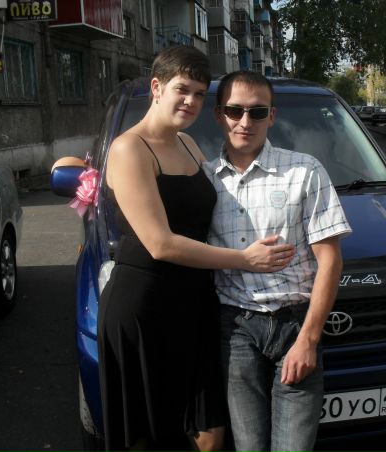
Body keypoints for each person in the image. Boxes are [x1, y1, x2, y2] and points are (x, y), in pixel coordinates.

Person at [97, 47, 294, 452]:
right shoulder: (129, 149)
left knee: (209, 435)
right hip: (145, 305)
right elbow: (160, 243)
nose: (191, 101)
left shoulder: (187, 144)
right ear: (157, 87)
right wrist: (245, 259)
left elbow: (223, 209)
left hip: (196, 303)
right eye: (182, 89)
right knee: (151, 434)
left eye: (200, 94)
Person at [204, 70, 352, 452]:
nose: (245, 121)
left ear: (271, 116)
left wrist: (309, 339)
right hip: (236, 330)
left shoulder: (304, 171)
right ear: (219, 114)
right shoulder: (204, 180)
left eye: (257, 112)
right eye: (234, 110)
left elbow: (330, 260)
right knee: (248, 446)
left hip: (294, 327)